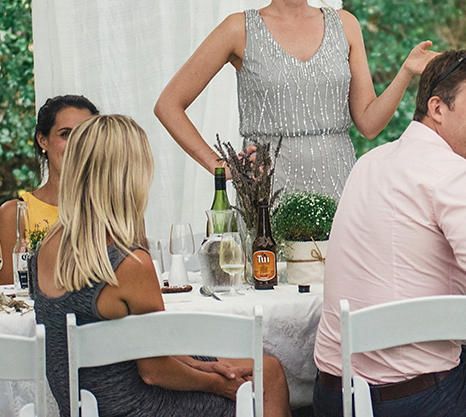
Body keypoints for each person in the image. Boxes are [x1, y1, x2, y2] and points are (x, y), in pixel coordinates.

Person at [155, 0, 437, 197]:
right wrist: (222, 166)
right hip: (267, 196)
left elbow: (368, 124)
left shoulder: (346, 25)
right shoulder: (238, 29)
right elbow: (168, 104)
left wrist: (405, 73)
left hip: (339, 190)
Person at [312, 50, 466, 417]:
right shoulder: (452, 172)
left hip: (335, 398)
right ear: (437, 107)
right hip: (413, 402)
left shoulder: (370, 162)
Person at [32, 114, 291, 417]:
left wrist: (201, 365)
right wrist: (216, 384)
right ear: (128, 176)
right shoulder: (127, 263)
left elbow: (150, 350)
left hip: (86, 406)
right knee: (266, 374)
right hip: (136, 406)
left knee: (265, 369)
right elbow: (155, 372)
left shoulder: (45, 248)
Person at [0, 95, 98, 285]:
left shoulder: (112, 208)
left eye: (85, 134)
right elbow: (11, 297)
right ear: (43, 140)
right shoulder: (14, 213)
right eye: (65, 134)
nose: (76, 143)